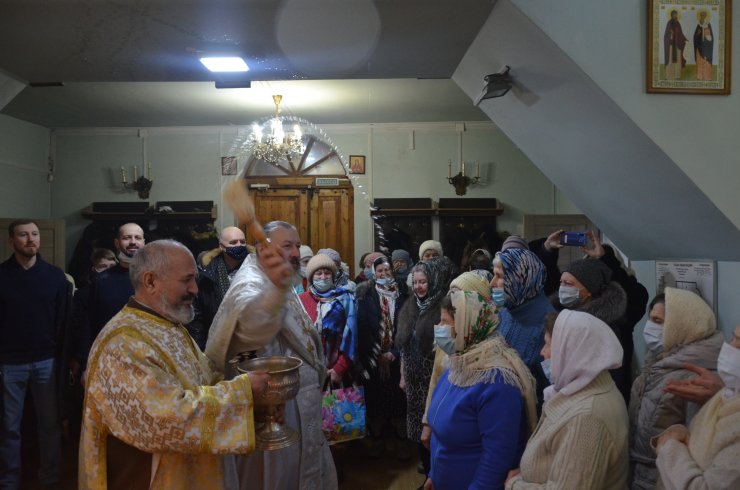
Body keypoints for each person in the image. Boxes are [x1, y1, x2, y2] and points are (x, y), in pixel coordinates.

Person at [79, 239, 268, 489]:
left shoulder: (168, 325)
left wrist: (254, 403)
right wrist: (242, 391)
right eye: (186, 280)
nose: (195, 289)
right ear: (150, 281)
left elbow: (205, 376)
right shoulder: (123, 343)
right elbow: (167, 418)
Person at [205, 221, 337, 490]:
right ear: (263, 249)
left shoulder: (280, 276)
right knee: (275, 478)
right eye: (286, 245)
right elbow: (247, 339)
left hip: (299, 404)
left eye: (297, 245)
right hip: (273, 411)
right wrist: (273, 292)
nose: (295, 253)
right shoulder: (250, 284)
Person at [424, 291, 537, 490]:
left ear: (465, 326)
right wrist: (434, 475)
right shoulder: (458, 363)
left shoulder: (497, 382)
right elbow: (442, 437)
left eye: (444, 322)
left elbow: (497, 458)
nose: (438, 327)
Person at [505, 310, 629, 489]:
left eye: (548, 344)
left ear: (571, 351)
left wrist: (514, 485)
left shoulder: (587, 418)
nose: (543, 352)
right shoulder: (587, 390)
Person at [0, 220, 71, 489]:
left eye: (35, 234)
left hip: (46, 362)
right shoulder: (2, 275)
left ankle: (50, 478)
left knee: (50, 425)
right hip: (9, 363)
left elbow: (63, 321)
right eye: (23, 235)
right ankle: (9, 481)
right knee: (9, 427)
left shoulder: (55, 276)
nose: (31, 239)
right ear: (11, 241)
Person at [629, 288, 723, 490]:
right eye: (651, 319)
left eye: (658, 321)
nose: (649, 327)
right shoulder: (656, 361)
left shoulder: (695, 378)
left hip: (664, 479)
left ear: (681, 327)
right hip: (639, 475)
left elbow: (695, 446)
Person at [555, 232, 648, 403]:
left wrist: (605, 258)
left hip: (609, 392)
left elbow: (636, 296)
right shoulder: (570, 306)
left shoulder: (618, 311)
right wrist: (547, 249)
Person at [654, 323, 740, 489]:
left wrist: (670, 446)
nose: (730, 348)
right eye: (733, 338)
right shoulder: (725, 394)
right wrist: (680, 436)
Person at [396, 257, 455, 482]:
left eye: (423, 282)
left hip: (433, 380)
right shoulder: (409, 305)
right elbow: (403, 346)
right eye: (416, 282)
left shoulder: (442, 307)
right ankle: (427, 469)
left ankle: (436, 475)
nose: (418, 287)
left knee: (433, 425)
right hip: (413, 381)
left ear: (434, 281)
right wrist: (403, 374)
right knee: (416, 426)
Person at [355, 255, 408, 459]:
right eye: (380, 271)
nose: (384, 274)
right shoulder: (365, 295)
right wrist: (378, 354)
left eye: (387, 270)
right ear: (374, 274)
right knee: (376, 401)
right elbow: (363, 327)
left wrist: (394, 353)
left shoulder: (404, 294)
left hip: (398, 359)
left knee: (398, 401)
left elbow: (407, 326)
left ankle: (401, 441)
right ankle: (377, 440)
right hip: (373, 359)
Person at [492, 248, 554, 406]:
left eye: (499, 276)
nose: (492, 283)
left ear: (519, 278)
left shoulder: (548, 324)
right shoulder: (506, 312)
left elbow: (551, 386)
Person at [84, 222, 146, 359]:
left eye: (137, 237)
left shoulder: (156, 279)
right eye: (127, 237)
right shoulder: (101, 281)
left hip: (147, 356)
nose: (133, 242)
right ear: (117, 243)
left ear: (143, 243)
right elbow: (89, 322)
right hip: (109, 355)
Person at [298, 253, 358, 384]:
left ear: (333, 275)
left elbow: (352, 337)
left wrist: (339, 368)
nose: (323, 277)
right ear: (311, 277)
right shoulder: (301, 300)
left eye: (327, 273)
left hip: (338, 373)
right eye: (318, 273)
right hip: (308, 370)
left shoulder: (345, 299)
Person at [186, 226, 249, 350]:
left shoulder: (255, 269)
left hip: (251, 342)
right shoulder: (207, 276)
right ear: (221, 246)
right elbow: (198, 317)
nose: (239, 245)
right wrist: (201, 350)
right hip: (218, 345)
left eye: (242, 242)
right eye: (233, 242)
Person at [664, 9, 688, 79]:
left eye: (676, 14)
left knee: (677, 60)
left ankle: (677, 75)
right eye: (673, 14)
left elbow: (680, 33)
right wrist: (670, 34)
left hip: (677, 45)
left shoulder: (678, 23)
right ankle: (669, 75)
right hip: (671, 45)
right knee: (670, 60)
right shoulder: (669, 23)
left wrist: (685, 39)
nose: (675, 16)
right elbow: (666, 35)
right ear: (671, 15)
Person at [693, 9, 714, 81]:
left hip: (706, 46)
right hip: (699, 46)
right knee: (700, 61)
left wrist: (707, 36)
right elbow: (695, 36)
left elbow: (710, 37)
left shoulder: (708, 24)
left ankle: (707, 76)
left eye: (704, 15)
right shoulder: (698, 25)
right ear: (700, 16)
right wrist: (698, 34)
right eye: (701, 15)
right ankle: (700, 76)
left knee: (706, 61)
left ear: (705, 16)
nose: (702, 17)